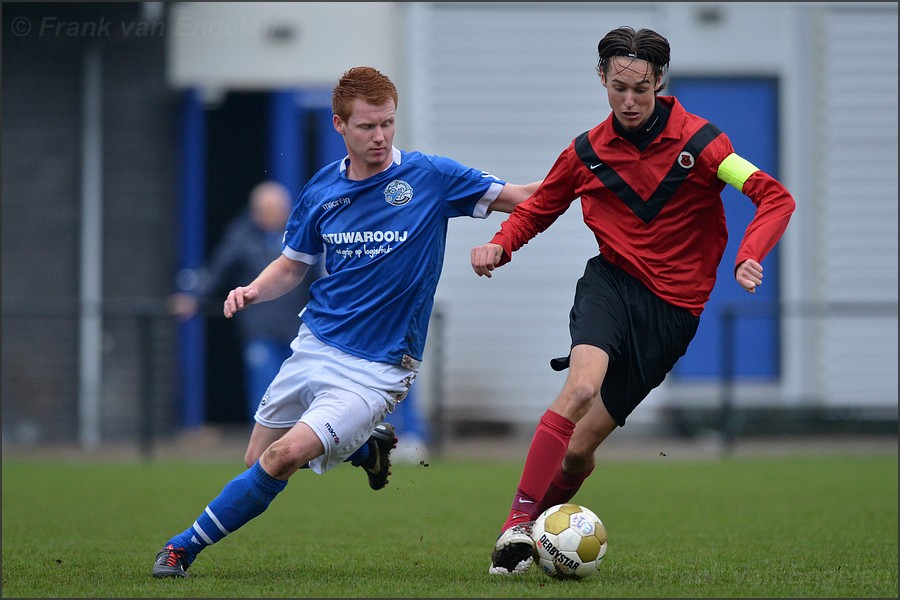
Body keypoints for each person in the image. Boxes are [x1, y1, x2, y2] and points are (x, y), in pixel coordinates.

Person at [152, 65, 541, 578]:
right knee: (256, 458)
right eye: (366, 126)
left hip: (378, 368)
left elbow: (523, 196)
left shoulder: (430, 177)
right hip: (316, 342)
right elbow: (292, 265)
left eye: (387, 123)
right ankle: (366, 447)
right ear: (339, 125)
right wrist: (252, 289)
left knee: (283, 456)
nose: (379, 137)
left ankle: (180, 549)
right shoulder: (321, 192)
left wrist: (586, 176)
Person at [470, 26, 796, 575]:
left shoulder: (702, 143)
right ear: (601, 78)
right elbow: (538, 208)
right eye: (618, 87)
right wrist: (500, 244)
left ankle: (540, 535)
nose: (629, 100)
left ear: (660, 81)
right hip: (612, 284)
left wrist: (749, 251)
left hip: (672, 312)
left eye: (641, 89)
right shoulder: (585, 152)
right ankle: (515, 528)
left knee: (579, 452)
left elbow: (774, 196)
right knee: (579, 388)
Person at [169, 180, 320, 421]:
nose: (276, 215)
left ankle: (297, 448)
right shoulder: (242, 236)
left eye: (280, 209)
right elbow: (217, 270)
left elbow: (316, 277)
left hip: (295, 330)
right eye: (269, 210)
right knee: (265, 393)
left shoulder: (298, 235)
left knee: (301, 391)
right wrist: (193, 299)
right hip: (260, 330)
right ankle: (264, 452)